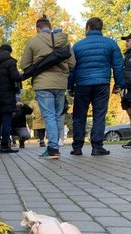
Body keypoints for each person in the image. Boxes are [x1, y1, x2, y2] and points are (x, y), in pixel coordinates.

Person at [21, 15, 76, 159]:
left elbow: (24, 65)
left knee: (49, 115)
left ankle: (52, 148)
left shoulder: (33, 41)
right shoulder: (64, 41)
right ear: (50, 27)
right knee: (57, 115)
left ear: (37, 28)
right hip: (60, 84)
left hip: (43, 83)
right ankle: (55, 145)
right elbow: (72, 64)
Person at [69, 17, 125, 156]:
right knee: (99, 115)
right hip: (102, 84)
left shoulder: (78, 45)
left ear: (88, 27)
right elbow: (118, 65)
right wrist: (119, 84)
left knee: (79, 115)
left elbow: (72, 68)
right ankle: (97, 146)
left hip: (82, 84)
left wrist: (70, 87)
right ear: (101, 28)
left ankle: (77, 147)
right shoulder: (110, 43)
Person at [0, 44, 22, 154]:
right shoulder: (11, 62)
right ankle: (5, 145)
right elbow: (15, 77)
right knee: (6, 120)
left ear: (0, 50)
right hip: (8, 94)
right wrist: (22, 76)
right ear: (9, 52)